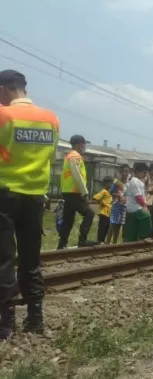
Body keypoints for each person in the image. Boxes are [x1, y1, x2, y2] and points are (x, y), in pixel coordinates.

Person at [0, 69, 59, 338]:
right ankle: (35, 319)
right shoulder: (51, 119)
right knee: (31, 260)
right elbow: (47, 156)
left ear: (4, 89)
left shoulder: (4, 115)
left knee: (4, 261)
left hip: (5, 194)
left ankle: (5, 325)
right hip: (35, 197)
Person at [57, 134, 95, 249]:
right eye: (83, 144)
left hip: (68, 192)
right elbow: (77, 175)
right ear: (79, 144)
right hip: (75, 193)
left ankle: (62, 244)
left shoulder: (69, 156)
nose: (84, 146)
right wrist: (85, 192)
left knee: (68, 219)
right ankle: (82, 241)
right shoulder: (75, 157)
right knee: (89, 213)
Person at [123, 163, 152, 242]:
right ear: (138, 172)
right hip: (136, 207)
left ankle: (133, 240)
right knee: (146, 216)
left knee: (133, 227)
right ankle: (144, 236)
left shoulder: (138, 181)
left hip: (133, 207)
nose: (145, 175)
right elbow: (138, 196)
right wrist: (145, 207)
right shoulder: (135, 181)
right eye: (144, 173)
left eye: (146, 173)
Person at [107, 165, 129, 244]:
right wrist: (118, 195)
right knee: (113, 225)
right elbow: (110, 192)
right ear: (120, 172)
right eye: (122, 171)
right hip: (116, 205)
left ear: (128, 173)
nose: (124, 173)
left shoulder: (128, 183)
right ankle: (107, 243)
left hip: (124, 207)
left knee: (119, 225)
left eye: (126, 171)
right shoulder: (117, 182)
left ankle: (114, 243)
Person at [93, 177, 114, 244]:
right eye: (110, 183)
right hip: (103, 213)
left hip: (109, 213)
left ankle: (103, 241)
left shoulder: (111, 192)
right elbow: (95, 198)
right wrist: (102, 202)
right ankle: (99, 241)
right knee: (102, 228)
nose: (111, 185)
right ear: (105, 184)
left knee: (107, 228)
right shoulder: (104, 191)